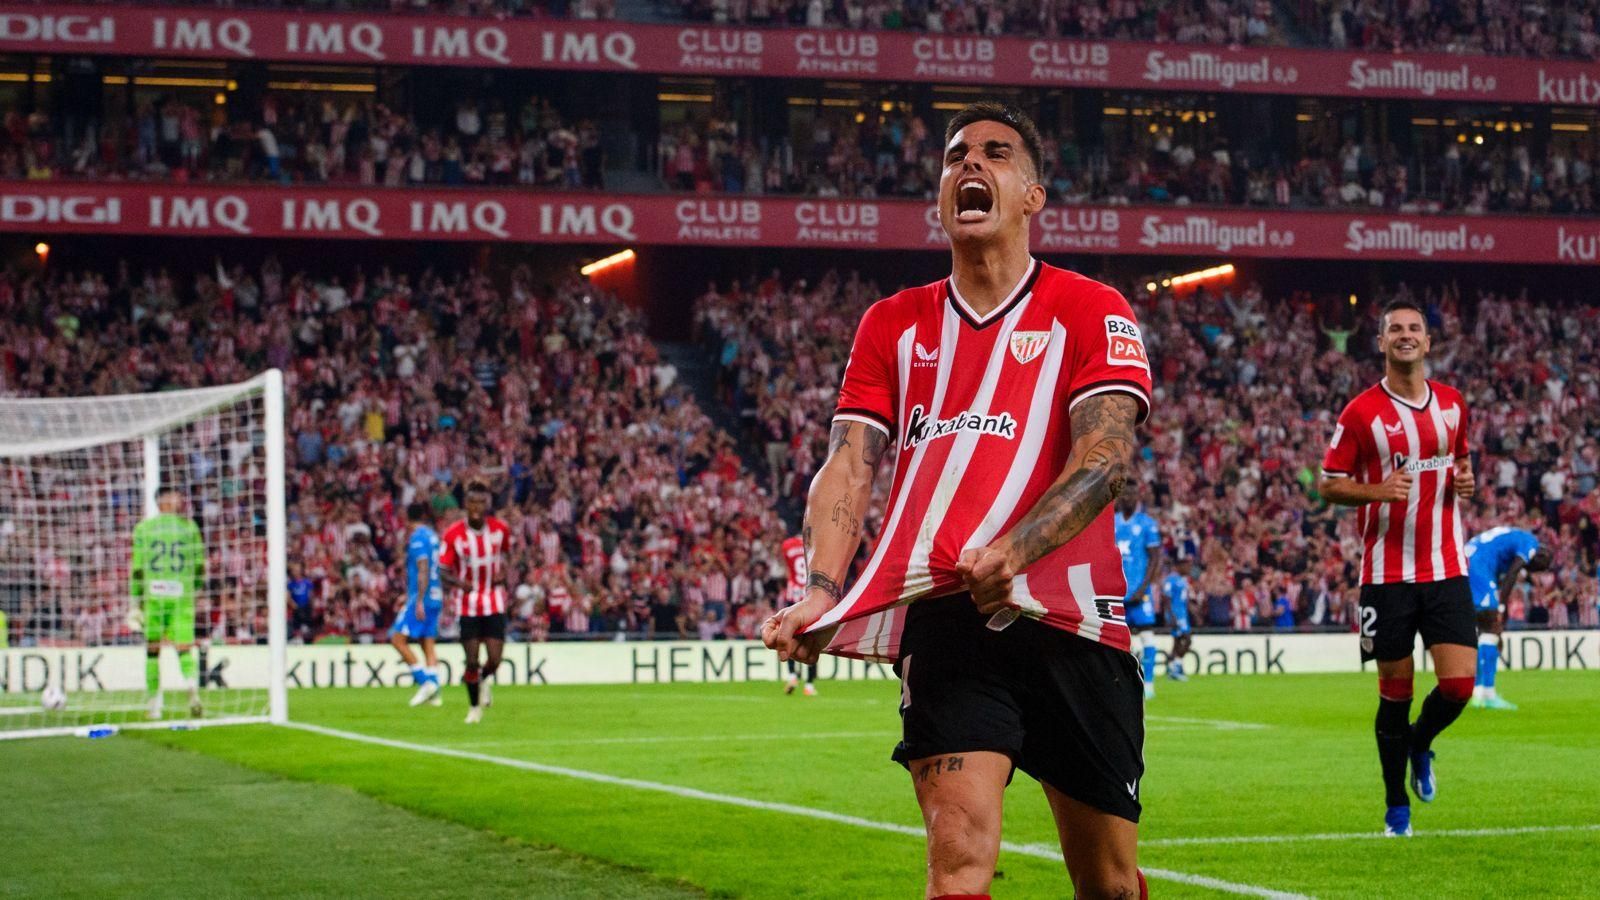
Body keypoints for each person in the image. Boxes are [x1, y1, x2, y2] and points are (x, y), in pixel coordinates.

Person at [763, 102, 1153, 899]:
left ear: (1033, 196)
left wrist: (1015, 550)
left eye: (996, 153)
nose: (970, 163)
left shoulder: (1092, 307)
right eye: (955, 156)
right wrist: (821, 588)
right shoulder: (892, 324)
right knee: (958, 858)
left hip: (1073, 619)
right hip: (948, 617)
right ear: (940, 197)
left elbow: (1107, 458)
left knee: (1109, 883)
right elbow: (849, 465)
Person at [1317, 298, 1478, 838]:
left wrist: (1466, 480)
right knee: (1395, 692)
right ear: (1382, 342)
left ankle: (1419, 743)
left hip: (1447, 566)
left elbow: (1461, 459)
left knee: (1459, 686)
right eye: (1396, 330)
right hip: (1386, 576)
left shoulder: (1453, 404)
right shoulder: (1361, 413)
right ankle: (1395, 808)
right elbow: (1328, 484)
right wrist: (1377, 491)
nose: (1406, 335)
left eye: (1415, 329)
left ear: (1428, 342)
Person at [130, 489, 207, 720]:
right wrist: (195, 588)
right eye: (175, 496)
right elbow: (199, 564)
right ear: (162, 501)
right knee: (184, 647)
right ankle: (191, 686)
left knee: (152, 650)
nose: (180, 500)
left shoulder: (144, 529)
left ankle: (154, 704)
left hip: (154, 595)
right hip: (181, 595)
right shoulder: (189, 528)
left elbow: (137, 568)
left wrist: (135, 601)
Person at [439, 481, 510, 724]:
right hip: (467, 604)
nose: (476, 507)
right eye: (472, 502)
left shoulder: (500, 529)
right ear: (466, 504)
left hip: (494, 601)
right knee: (471, 660)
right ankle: (473, 708)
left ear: (487, 503)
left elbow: (509, 555)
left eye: (481, 502)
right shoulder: (453, 534)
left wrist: (505, 572)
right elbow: (442, 570)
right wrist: (460, 583)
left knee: (495, 659)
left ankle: (483, 679)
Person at [1464, 525, 1553, 710]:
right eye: (1536, 566)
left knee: (1484, 629)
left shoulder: (1514, 537)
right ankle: (1488, 694)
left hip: (1467, 558)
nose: (1531, 568)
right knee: (1490, 627)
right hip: (1478, 564)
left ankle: (1479, 692)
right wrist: (1502, 608)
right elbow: (1513, 572)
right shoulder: (1530, 543)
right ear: (1540, 554)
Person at [391, 502, 445, 708]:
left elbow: (423, 568)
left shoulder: (417, 538)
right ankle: (435, 693)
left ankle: (425, 683)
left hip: (423, 597)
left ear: (407, 518)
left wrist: (419, 599)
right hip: (436, 595)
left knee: (397, 640)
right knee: (427, 643)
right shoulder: (433, 536)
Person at [1115, 489, 1162, 699]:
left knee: (1147, 635)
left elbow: (1155, 557)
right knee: (1119, 640)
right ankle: (1123, 682)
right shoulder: (1112, 522)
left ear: (1137, 499)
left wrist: (1143, 588)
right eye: (1124, 495)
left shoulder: (1146, 523)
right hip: (1117, 591)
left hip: (1140, 592)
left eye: (1131, 495)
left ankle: (1149, 683)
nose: (1128, 498)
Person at [779, 532, 818, 696]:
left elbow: (787, 571)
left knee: (789, 635)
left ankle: (792, 675)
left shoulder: (787, 545)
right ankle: (809, 684)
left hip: (793, 595)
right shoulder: (814, 544)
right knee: (812, 639)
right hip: (809, 596)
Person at [1161, 565, 1193, 682]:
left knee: (1178, 642)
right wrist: (1171, 616)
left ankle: (1173, 668)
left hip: (1182, 615)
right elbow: (1166, 597)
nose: (1189, 567)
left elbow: (1184, 599)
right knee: (1187, 640)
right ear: (1179, 565)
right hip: (1176, 615)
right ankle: (1176, 666)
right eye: (1186, 564)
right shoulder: (1170, 579)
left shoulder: (1183, 579)